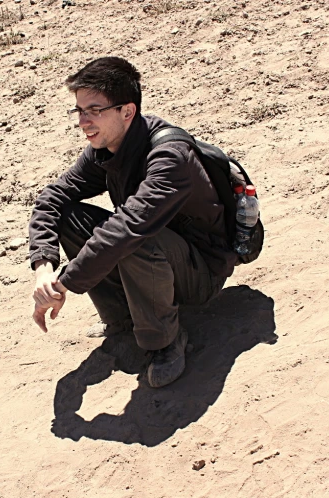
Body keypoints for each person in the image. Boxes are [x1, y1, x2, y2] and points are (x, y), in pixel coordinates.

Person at [28, 57, 238, 388]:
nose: (83, 122)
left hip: (201, 274)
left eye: (94, 110)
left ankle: (165, 342)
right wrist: (44, 266)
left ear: (127, 111)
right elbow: (51, 198)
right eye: (79, 111)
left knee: (131, 237)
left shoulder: (170, 156)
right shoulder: (108, 147)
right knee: (70, 216)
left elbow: (129, 228)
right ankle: (124, 320)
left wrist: (63, 284)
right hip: (158, 258)